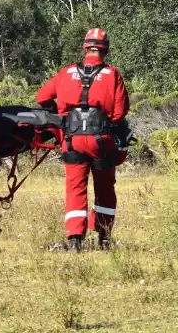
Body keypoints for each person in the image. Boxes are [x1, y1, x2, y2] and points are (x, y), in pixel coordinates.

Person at [36, 28, 129, 251]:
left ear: (85, 47)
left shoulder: (66, 72)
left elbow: (42, 97)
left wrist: (60, 116)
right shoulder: (113, 74)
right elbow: (120, 112)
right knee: (105, 187)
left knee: (75, 187)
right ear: (104, 49)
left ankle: (75, 239)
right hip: (101, 142)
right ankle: (104, 238)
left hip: (72, 140)